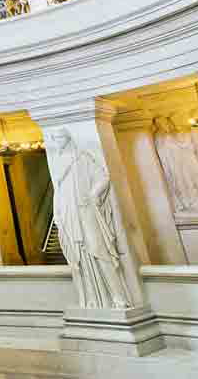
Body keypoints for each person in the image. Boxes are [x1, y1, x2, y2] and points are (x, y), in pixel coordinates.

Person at [47, 128, 131, 309]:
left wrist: (93, 194)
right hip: (69, 214)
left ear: (68, 138)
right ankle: (93, 299)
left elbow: (103, 177)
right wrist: (57, 213)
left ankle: (118, 295)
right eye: (55, 139)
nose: (57, 141)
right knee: (79, 258)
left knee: (98, 250)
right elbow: (58, 191)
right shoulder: (58, 163)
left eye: (60, 137)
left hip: (85, 211)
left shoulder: (82, 158)